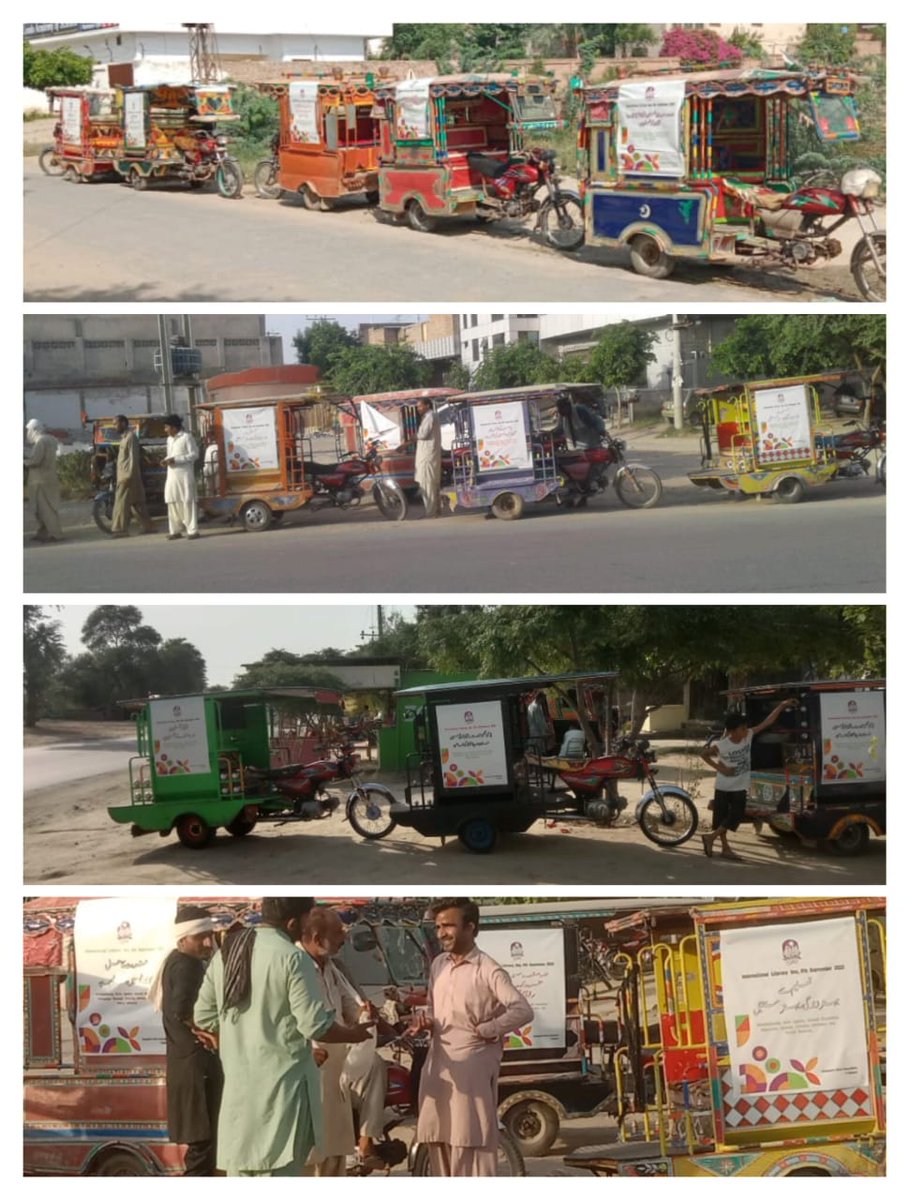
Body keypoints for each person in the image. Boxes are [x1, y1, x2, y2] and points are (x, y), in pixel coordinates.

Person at [194, 897, 373, 1177]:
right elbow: (317, 1026)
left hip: (240, 1098)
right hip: (284, 1097)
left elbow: (203, 1016)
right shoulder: (292, 957)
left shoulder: (226, 955)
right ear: (292, 922)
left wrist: (242, 1033)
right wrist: (355, 1033)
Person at [411, 898, 533, 1176]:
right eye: (438, 926)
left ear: (470, 928)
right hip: (438, 1063)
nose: (442, 932)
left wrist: (488, 1029)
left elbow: (523, 1010)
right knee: (436, 1138)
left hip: (471, 1065)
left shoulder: (487, 969)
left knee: (469, 1141)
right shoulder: (438, 964)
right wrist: (425, 1021)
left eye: (449, 925)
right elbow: (434, 1010)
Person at [147, 905, 223, 1175]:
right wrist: (210, 1035)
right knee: (203, 1150)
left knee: (203, 1148)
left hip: (188, 1067)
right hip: (196, 1069)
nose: (207, 943)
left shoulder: (178, 961)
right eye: (200, 937)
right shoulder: (188, 965)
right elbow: (182, 1011)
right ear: (182, 940)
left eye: (209, 936)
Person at [298, 908, 364, 1177]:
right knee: (311, 1158)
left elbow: (350, 1008)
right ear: (316, 937)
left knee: (335, 1155)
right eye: (338, 932)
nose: (344, 938)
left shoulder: (331, 967)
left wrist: (365, 1014)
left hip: (336, 1070)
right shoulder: (296, 967)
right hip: (311, 1067)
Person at [700, 698, 797, 861]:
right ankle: (723, 847)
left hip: (739, 786)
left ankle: (711, 838)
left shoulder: (748, 736)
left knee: (735, 815)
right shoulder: (723, 745)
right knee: (721, 818)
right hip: (724, 786)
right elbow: (703, 755)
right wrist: (721, 768)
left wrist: (781, 705)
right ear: (732, 731)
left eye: (746, 727)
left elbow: (767, 723)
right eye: (742, 728)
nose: (746, 730)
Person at [110, 415, 154, 537]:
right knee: (137, 503)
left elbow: (133, 457)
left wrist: (128, 475)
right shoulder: (124, 438)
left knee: (121, 503)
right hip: (126, 475)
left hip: (128, 476)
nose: (114, 427)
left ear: (123, 423)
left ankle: (120, 530)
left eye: (116, 424)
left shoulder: (131, 437)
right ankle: (148, 526)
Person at [24, 419, 64, 543]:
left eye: (29, 430)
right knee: (43, 509)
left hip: (40, 480)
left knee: (45, 509)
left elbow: (36, 460)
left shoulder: (41, 441)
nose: (28, 433)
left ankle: (55, 534)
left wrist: (24, 462)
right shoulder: (50, 439)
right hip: (47, 478)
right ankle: (43, 532)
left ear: (35, 429)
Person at [162, 413, 200, 540]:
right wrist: (166, 460)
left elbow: (194, 455)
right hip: (172, 476)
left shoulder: (186, 437)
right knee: (172, 501)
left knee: (187, 501)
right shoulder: (169, 439)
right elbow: (170, 455)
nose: (165, 430)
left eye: (167, 427)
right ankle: (175, 531)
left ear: (174, 427)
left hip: (184, 475)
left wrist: (177, 460)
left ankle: (192, 531)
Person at [414, 396, 442, 518]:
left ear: (427, 406)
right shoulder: (429, 417)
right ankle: (435, 511)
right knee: (432, 484)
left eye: (420, 406)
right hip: (429, 454)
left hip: (427, 456)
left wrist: (412, 438)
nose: (418, 409)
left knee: (427, 484)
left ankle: (431, 513)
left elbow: (423, 434)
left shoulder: (430, 417)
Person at [525, 691, 551, 756]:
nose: (543, 701)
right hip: (537, 731)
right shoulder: (536, 707)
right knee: (538, 748)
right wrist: (545, 731)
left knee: (534, 747)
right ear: (540, 698)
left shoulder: (530, 706)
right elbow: (539, 721)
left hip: (532, 730)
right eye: (543, 699)